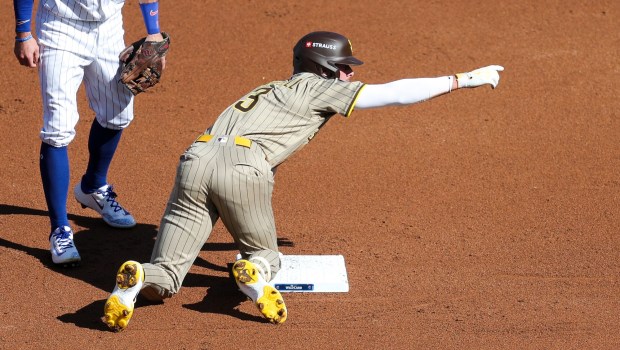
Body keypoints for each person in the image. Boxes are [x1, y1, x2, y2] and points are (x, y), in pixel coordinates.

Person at [101, 31, 504, 331]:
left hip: (195, 159)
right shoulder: (318, 89)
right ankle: (255, 272)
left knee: (167, 276)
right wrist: (462, 79)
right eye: (345, 67)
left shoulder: (269, 88)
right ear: (325, 67)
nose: (349, 73)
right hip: (242, 167)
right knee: (265, 255)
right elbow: (394, 94)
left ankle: (136, 278)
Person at [12, 0, 167, 266]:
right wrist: (23, 34)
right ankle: (60, 228)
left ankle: (92, 186)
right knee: (58, 128)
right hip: (60, 28)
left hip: (108, 29)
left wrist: (153, 31)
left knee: (118, 115)